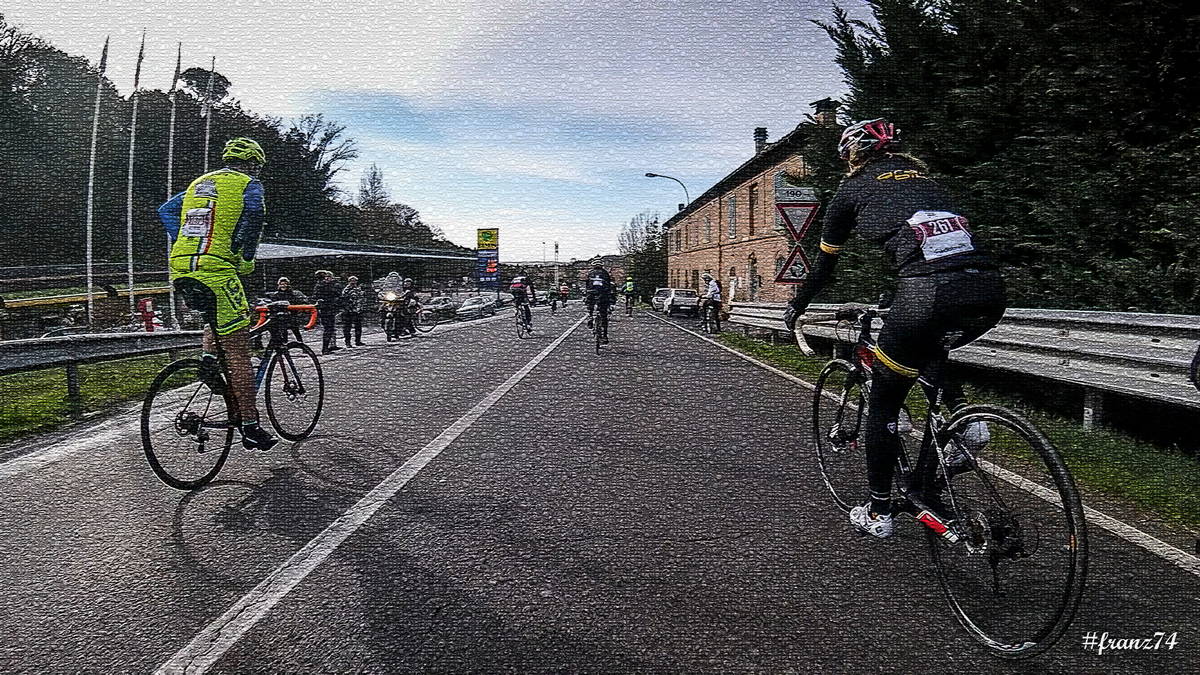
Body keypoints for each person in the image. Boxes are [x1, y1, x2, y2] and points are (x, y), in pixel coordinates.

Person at [783, 118, 1006, 539]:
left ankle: (879, 510)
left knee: (885, 400)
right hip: (987, 290)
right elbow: (940, 248)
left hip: (928, 292)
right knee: (928, 347)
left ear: (852, 155)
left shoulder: (851, 190)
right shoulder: (930, 184)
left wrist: (797, 306)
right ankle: (966, 422)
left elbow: (825, 266)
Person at [157, 137, 276, 450]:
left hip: (181, 266)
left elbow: (166, 211)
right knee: (239, 349)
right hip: (217, 266)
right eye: (257, 167)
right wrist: (246, 257)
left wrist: (187, 238)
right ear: (254, 164)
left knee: (217, 316)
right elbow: (254, 218)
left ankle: (209, 357)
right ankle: (250, 426)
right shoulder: (249, 184)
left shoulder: (199, 183)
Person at [266, 276, 308, 342]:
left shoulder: (293, 293)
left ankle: (302, 345)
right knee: (283, 332)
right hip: (281, 316)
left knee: (296, 331)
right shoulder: (276, 295)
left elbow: (298, 302)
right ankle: (285, 347)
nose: (283, 286)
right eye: (281, 284)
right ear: (279, 285)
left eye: (285, 284)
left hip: (292, 315)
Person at [312, 270, 342, 354]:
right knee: (328, 329)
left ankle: (327, 347)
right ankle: (325, 348)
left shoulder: (319, 285)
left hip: (326, 308)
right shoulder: (324, 285)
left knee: (328, 329)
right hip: (327, 309)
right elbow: (335, 293)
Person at [584, 258, 614, 341]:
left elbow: (587, 285)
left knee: (590, 305)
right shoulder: (605, 273)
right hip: (603, 294)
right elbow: (609, 286)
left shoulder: (590, 273)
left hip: (591, 293)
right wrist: (611, 300)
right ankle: (604, 335)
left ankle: (590, 316)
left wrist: (586, 294)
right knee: (604, 315)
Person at [341, 275, 367, 347]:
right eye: (351, 281)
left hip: (357, 310)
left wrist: (361, 307)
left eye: (354, 281)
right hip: (348, 310)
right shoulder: (346, 290)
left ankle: (358, 341)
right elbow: (343, 299)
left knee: (358, 326)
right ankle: (348, 342)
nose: (353, 282)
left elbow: (362, 299)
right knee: (347, 327)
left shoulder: (358, 289)